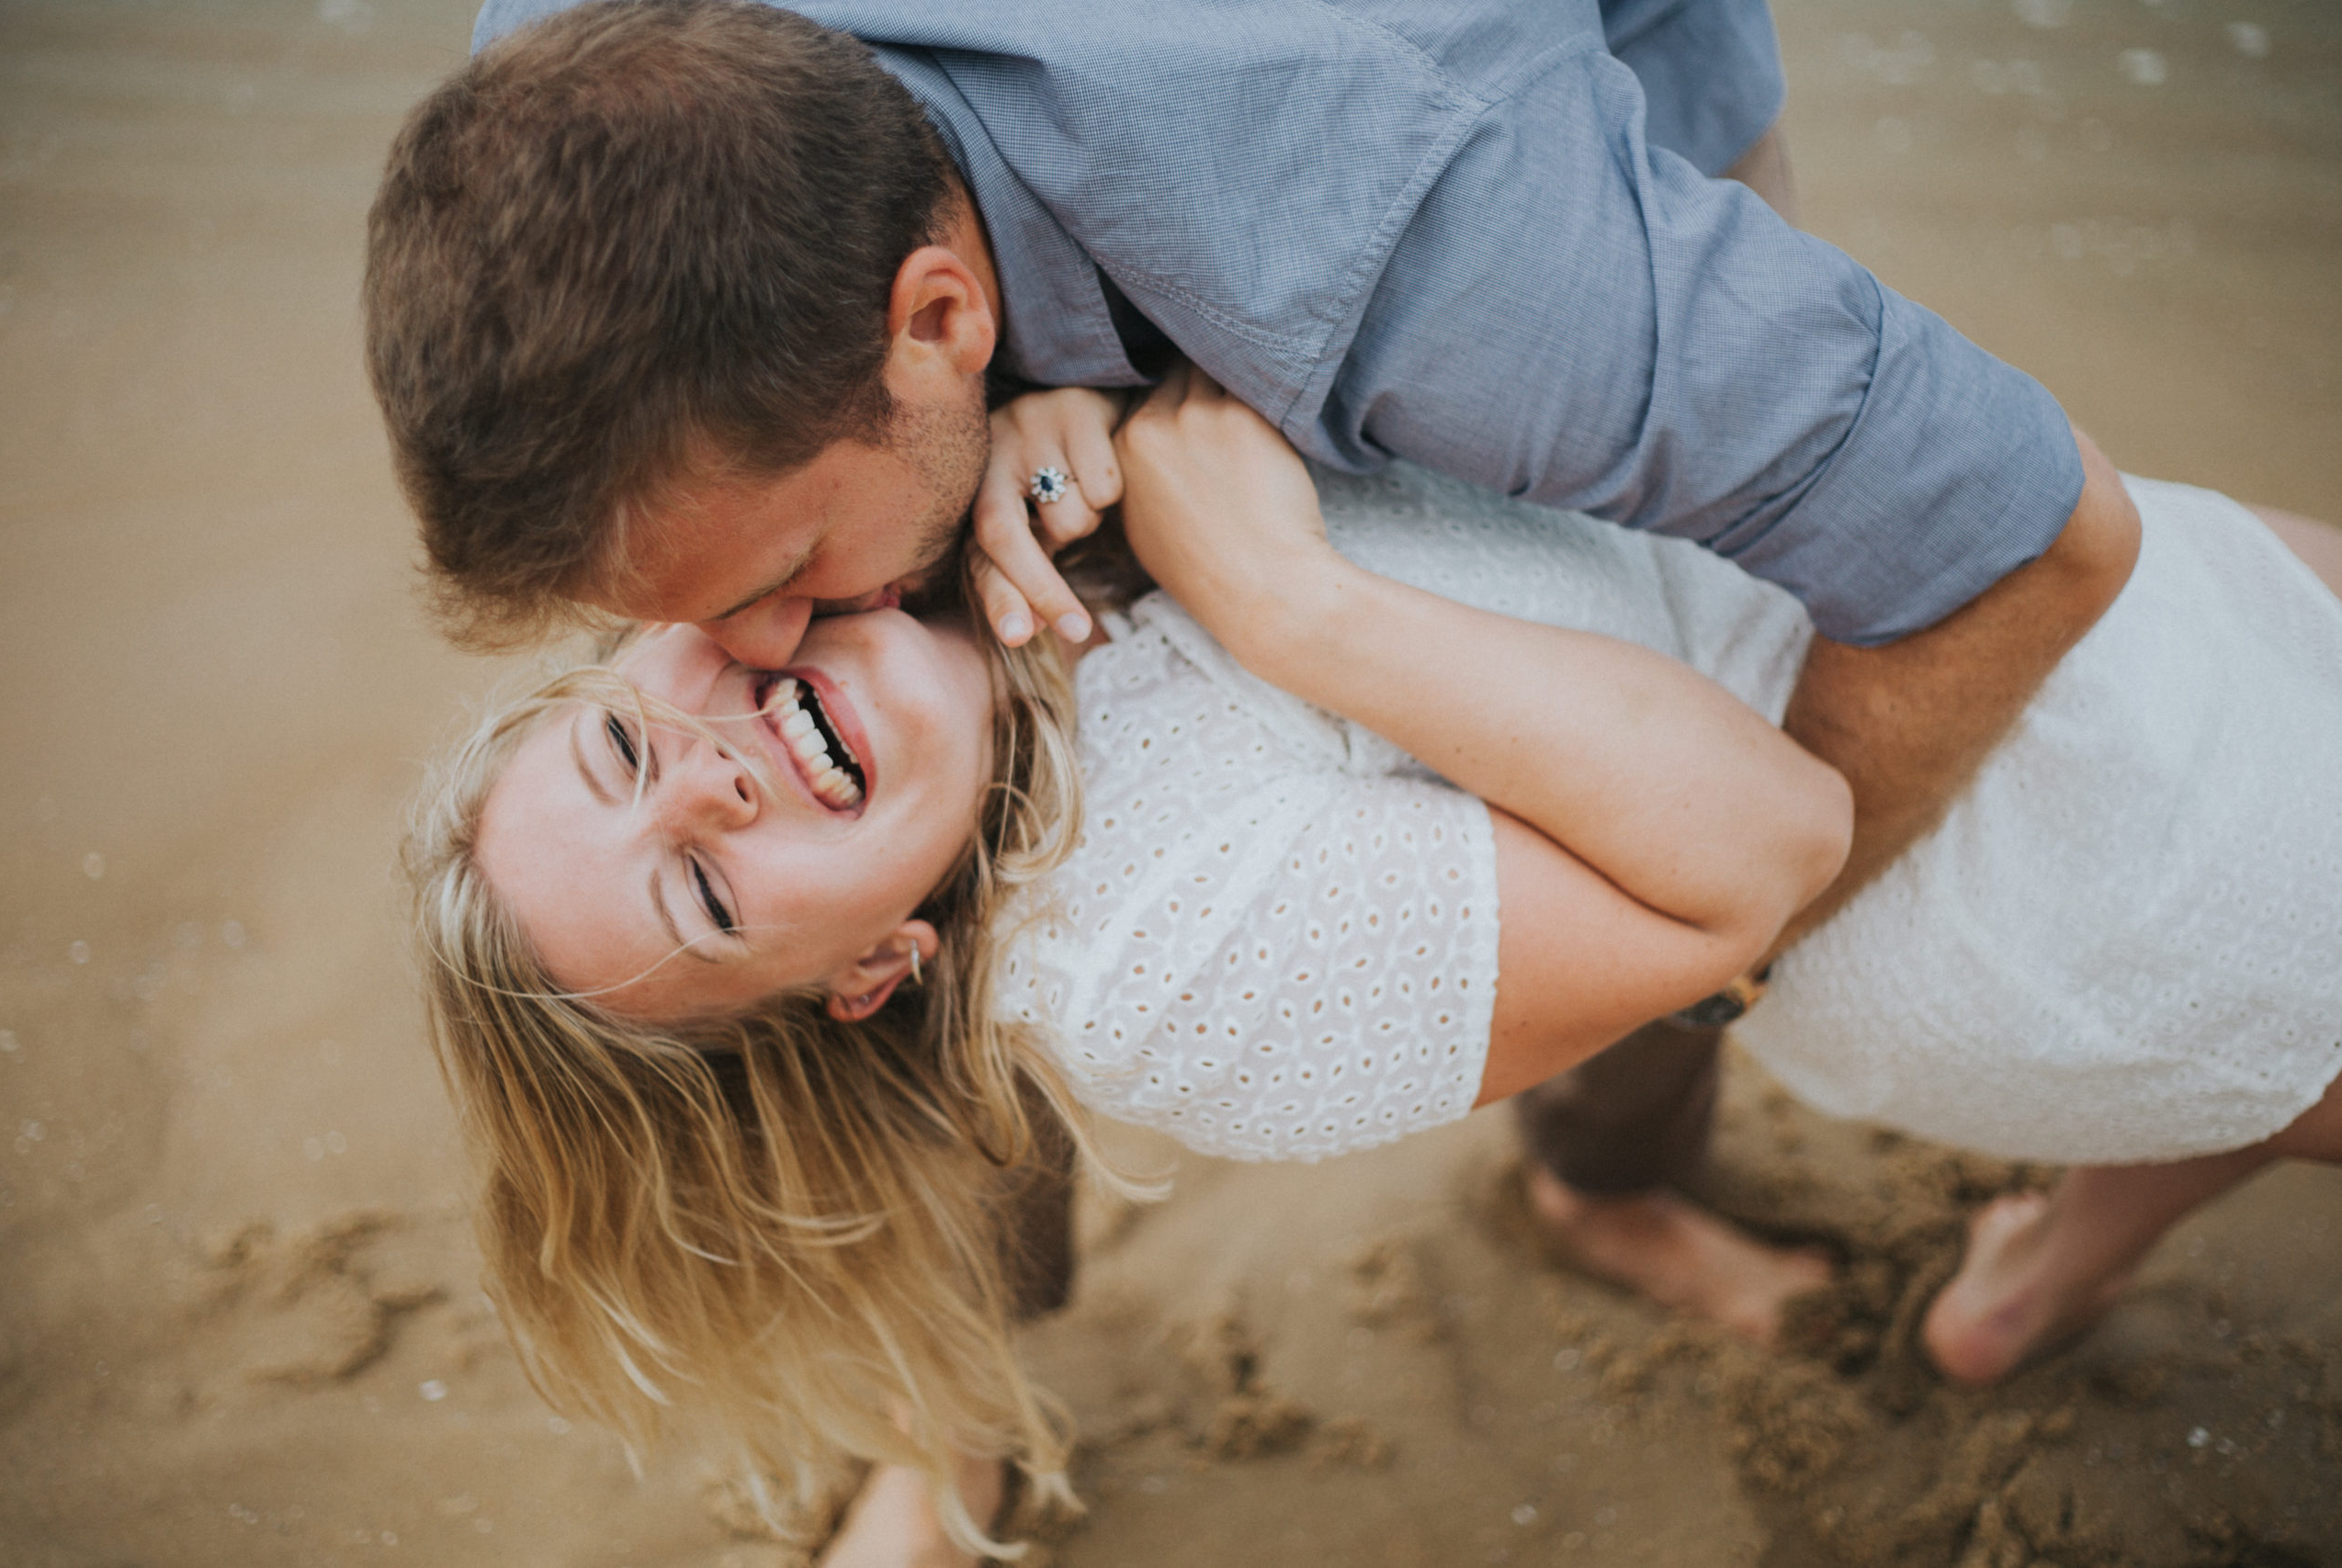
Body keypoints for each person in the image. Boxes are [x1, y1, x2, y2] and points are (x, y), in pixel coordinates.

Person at [364, 0, 2146, 1363]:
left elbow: (2035, 532)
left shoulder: (1498, 279)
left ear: (938, 330)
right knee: (880, 892)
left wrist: (1692, 971)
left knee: (1643, 729)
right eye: (635, 668)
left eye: (772, 586)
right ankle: (969, 1410)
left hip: (1449, 151)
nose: (737, 682)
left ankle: (1603, 1168)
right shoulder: (584, 78)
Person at [416, 367, 2342, 1564]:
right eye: (697, 889)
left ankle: (2033, 1281)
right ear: (872, 970)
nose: (716, 777)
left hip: (2067, 610)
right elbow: (1757, 866)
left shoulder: (882, 529)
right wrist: (1281, 597)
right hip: (2034, 875)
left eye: (617, 749)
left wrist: (1046, 391)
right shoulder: (1163, 964)